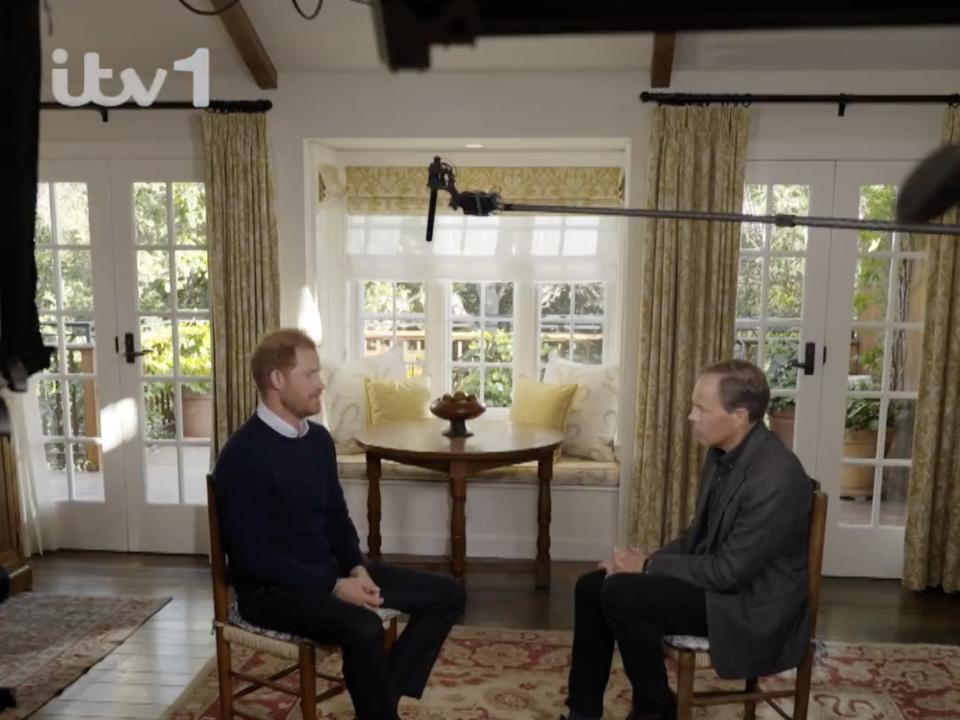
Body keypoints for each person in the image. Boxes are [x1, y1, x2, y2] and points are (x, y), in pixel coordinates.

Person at [213, 328, 465, 720]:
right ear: (277, 380)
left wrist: (356, 568)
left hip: (328, 572)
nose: (321, 383)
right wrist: (334, 587)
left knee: (448, 594)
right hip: (271, 592)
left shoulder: (317, 440)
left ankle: (383, 698)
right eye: (310, 375)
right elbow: (253, 560)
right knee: (364, 628)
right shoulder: (242, 457)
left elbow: (336, 518)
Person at [561, 360, 813, 720]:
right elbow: (697, 535)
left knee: (621, 595)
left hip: (749, 606)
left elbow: (730, 574)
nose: (691, 416)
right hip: (720, 586)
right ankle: (582, 714)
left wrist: (648, 567)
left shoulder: (777, 477)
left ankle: (656, 708)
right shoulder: (723, 453)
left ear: (739, 416)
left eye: (701, 408)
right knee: (593, 587)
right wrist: (634, 564)